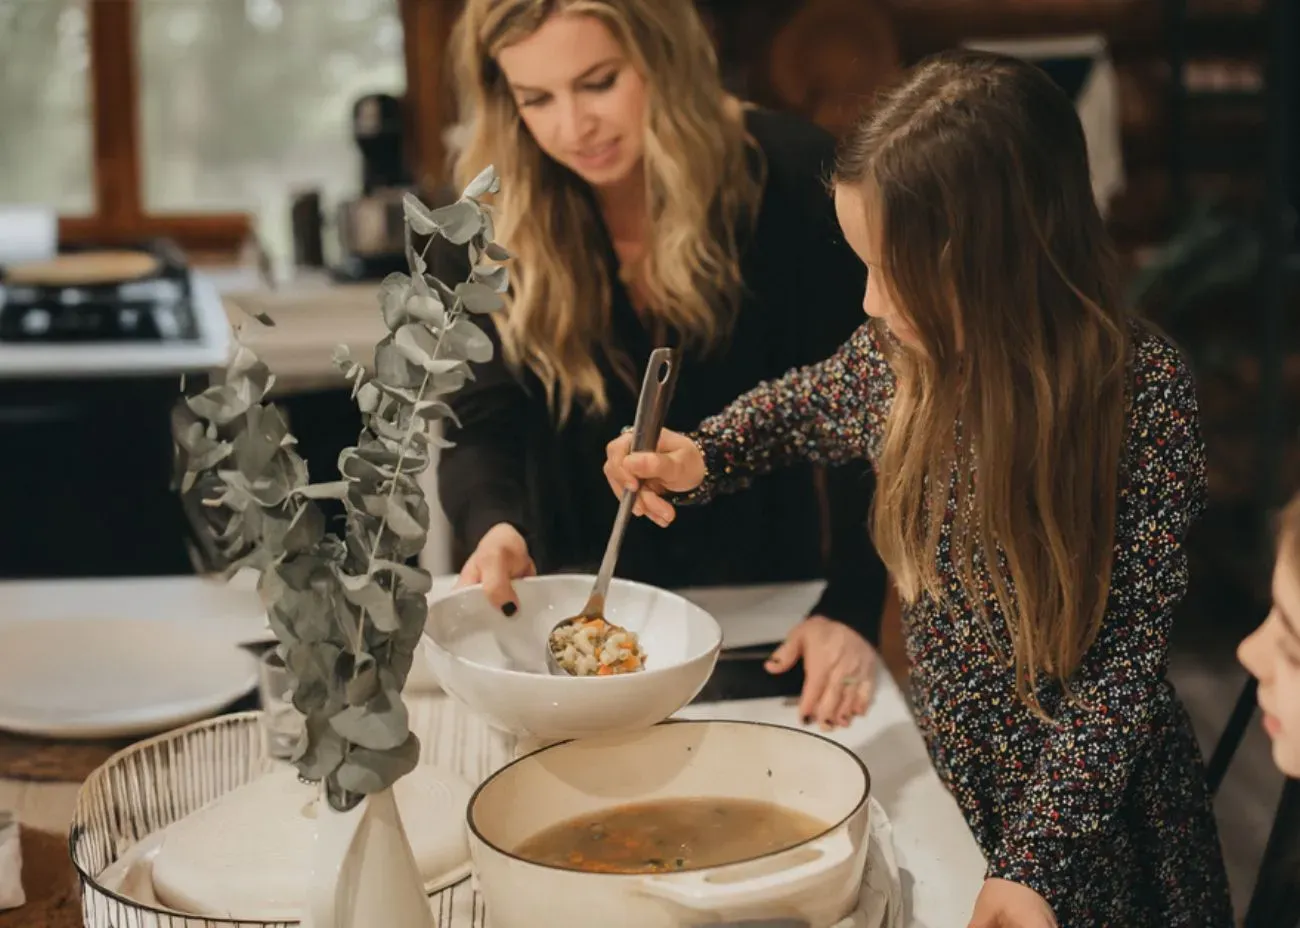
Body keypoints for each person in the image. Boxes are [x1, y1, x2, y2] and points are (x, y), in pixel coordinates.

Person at [604, 49, 1234, 927]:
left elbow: (1120, 676)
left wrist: (1035, 864)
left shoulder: (1140, 397)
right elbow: (802, 406)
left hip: (1089, 824)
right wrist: (702, 453)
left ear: (999, 257)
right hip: (954, 776)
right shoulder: (907, 355)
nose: (867, 302)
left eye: (892, 269)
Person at [435, 0, 888, 729]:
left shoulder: (791, 175)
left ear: (663, 59)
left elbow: (866, 410)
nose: (573, 127)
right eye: (536, 99)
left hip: (767, 599)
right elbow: (481, 421)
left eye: (599, 82)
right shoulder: (480, 224)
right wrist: (494, 525)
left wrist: (852, 606)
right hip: (573, 605)